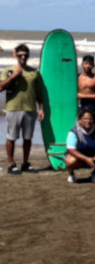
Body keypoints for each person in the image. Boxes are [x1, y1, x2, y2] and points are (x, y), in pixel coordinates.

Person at [0, 44, 44, 174]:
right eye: (20, 55)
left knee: (28, 138)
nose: (23, 57)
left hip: (30, 109)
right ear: (16, 56)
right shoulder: (8, 70)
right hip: (13, 109)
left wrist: (41, 108)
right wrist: (13, 76)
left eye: (25, 55)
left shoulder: (34, 72)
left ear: (29, 56)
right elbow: (1, 87)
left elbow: (38, 92)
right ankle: (11, 164)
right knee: (11, 137)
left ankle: (25, 163)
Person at [64, 109, 95, 183]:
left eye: (90, 119)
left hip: (93, 155)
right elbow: (71, 150)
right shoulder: (73, 132)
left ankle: (94, 173)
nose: (88, 121)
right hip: (78, 157)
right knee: (70, 161)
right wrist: (86, 159)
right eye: (85, 119)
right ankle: (71, 174)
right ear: (80, 121)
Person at [77, 55, 95, 130]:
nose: (88, 66)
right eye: (86, 63)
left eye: (90, 64)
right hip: (82, 105)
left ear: (93, 65)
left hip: (94, 106)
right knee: (81, 127)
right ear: (82, 64)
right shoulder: (77, 77)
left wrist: (83, 96)